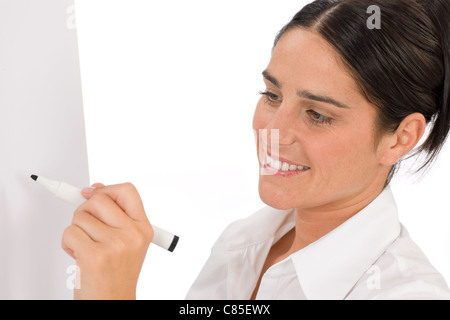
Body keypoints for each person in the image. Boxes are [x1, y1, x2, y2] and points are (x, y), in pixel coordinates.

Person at [62, 0, 450, 299]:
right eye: (272, 95)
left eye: (317, 114)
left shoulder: (406, 293)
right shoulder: (244, 243)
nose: (273, 132)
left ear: (401, 137)